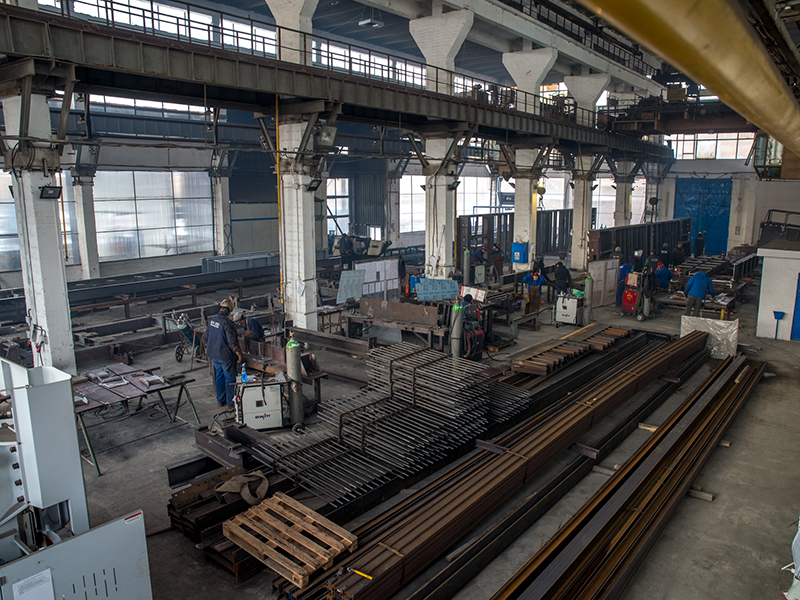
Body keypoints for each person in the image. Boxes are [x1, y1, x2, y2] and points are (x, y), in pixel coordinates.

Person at [206, 299, 244, 407]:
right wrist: (239, 354)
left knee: (219, 375)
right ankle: (230, 402)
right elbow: (232, 342)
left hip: (213, 355)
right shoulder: (227, 323)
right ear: (229, 312)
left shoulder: (212, 321)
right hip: (225, 356)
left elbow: (206, 337)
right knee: (230, 378)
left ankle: (220, 400)